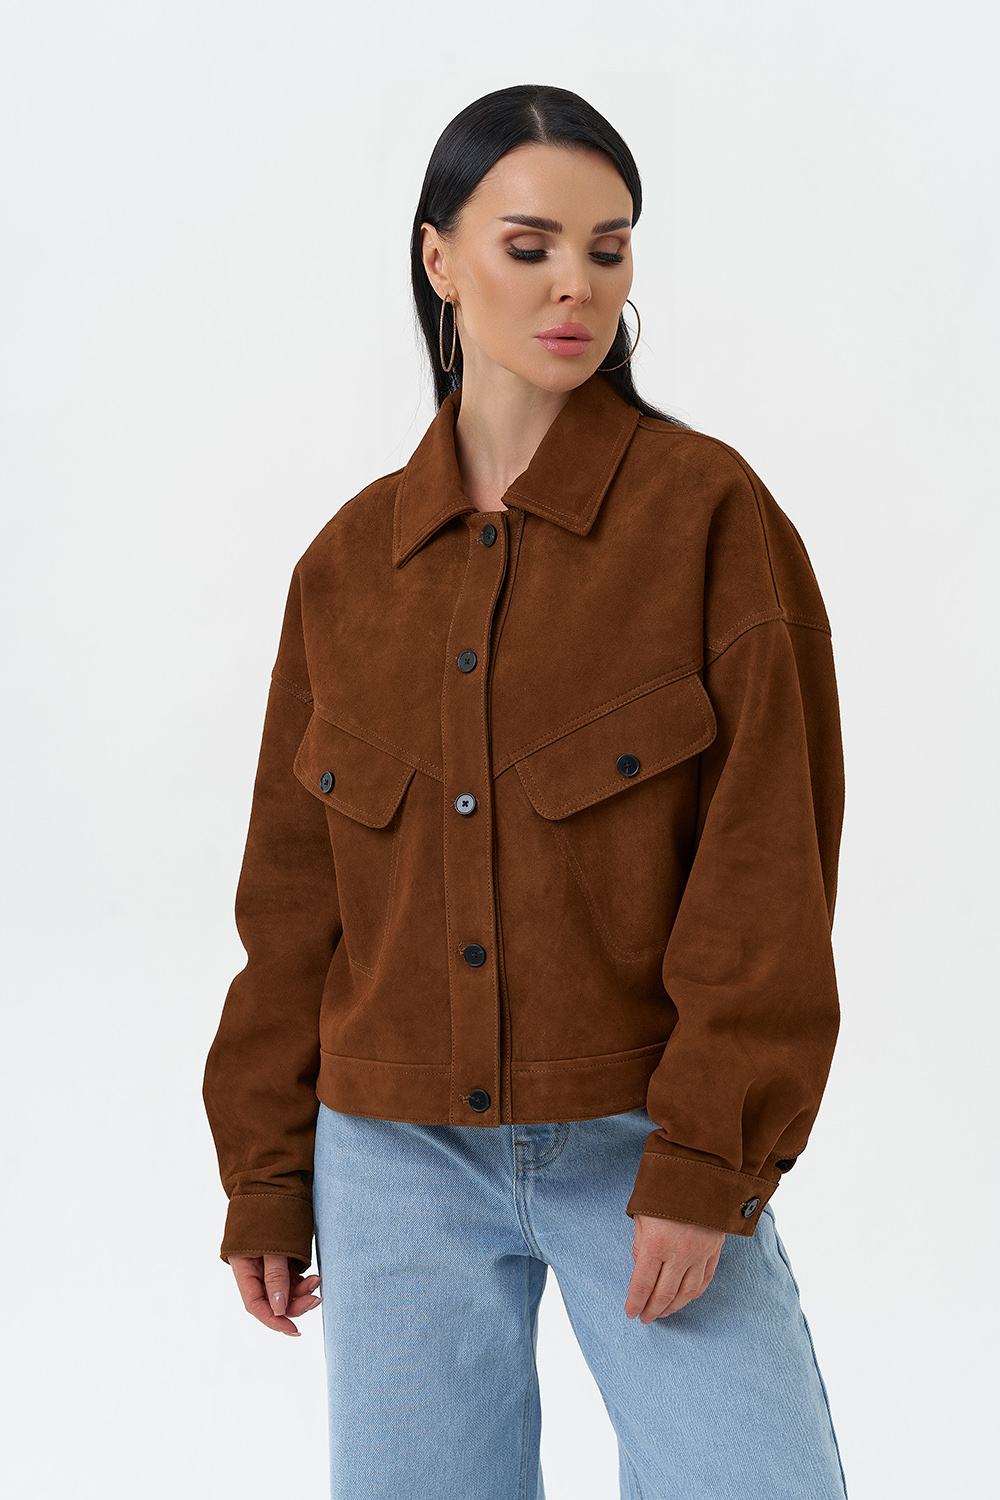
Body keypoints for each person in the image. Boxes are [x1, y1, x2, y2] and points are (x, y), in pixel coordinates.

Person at [203, 83, 850, 1500]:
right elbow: (293, 904)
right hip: (390, 1160)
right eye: (531, 245)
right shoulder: (345, 569)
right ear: (439, 258)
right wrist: (266, 1170)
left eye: (608, 250)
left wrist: (707, 1158)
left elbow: (768, 866)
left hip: (643, 1135)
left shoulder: (708, 519)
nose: (577, 285)